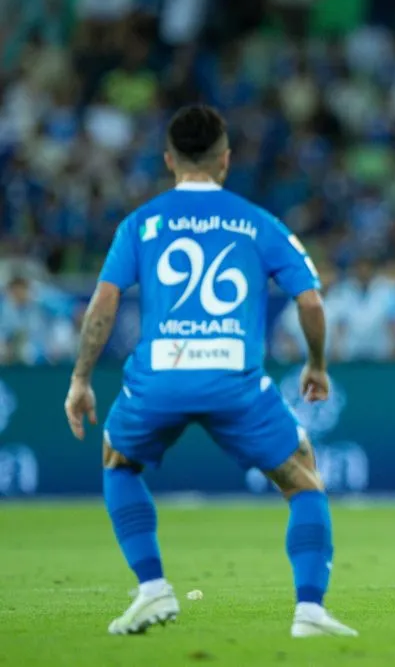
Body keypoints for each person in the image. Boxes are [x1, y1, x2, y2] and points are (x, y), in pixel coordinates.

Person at [62, 105, 358, 638]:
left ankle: (152, 590)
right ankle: (309, 611)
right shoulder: (257, 221)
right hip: (232, 375)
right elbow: (310, 302)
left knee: (117, 461)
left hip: (160, 374)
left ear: (169, 159)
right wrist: (316, 363)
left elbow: (103, 305)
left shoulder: (141, 223)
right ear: (225, 161)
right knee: (302, 476)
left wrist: (81, 378)